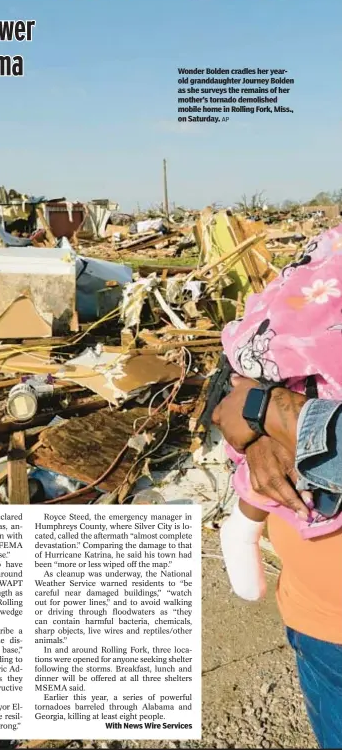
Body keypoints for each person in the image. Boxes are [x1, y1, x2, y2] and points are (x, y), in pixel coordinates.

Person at [211, 223, 342, 749]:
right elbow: (233, 368)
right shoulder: (326, 257)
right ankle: (241, 527)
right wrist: (257, 416)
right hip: (320, 620)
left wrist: (278, 413)